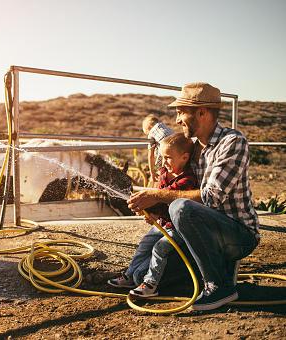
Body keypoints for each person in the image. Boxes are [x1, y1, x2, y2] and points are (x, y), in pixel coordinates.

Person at [127, 82, 260, 311]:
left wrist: (157, 194)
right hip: (199, 231)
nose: (177, 120)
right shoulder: (192, 146)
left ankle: (220, 285)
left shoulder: (233, 142)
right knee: (141, 276)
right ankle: (210, 267)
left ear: (202, 112)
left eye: (181, 112)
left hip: (238, 234)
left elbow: (212, 197)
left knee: (181, 207)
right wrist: (152, 205)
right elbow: (165, 158)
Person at [107, 133, 197, 297]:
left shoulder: (187, 181)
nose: (164, 162)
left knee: (160, 248)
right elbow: (160, 200)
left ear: (185, 157)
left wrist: (155, 207)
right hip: (164, 223)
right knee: (145, 243)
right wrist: (154, 213)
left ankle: (150, 283)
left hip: (178, 228)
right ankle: (129, 275)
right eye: (162, 157)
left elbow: (170, 200)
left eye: (168, 158)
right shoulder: (164, 173)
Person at [142, 114, 175, 184]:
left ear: (148, 128)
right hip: (178, 149)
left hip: (168, 151)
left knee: (164, 173)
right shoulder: (165, 127)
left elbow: (151, 155)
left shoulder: (151, 132)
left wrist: (152, 172)